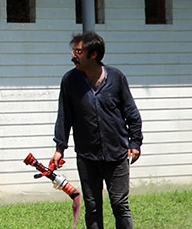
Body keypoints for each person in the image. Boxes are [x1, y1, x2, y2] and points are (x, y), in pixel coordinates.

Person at [51, 31, 142, 229]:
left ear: (93, 54)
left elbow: (131, 113)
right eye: (74, 51)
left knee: (120, 204)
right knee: (92, 206)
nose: (73, 56)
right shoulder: (70, 81)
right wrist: (60, 148)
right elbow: (64, 116)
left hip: (117, 154)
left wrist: (135, 143)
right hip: (87, 155)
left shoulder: (116, 77)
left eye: (78, 52)